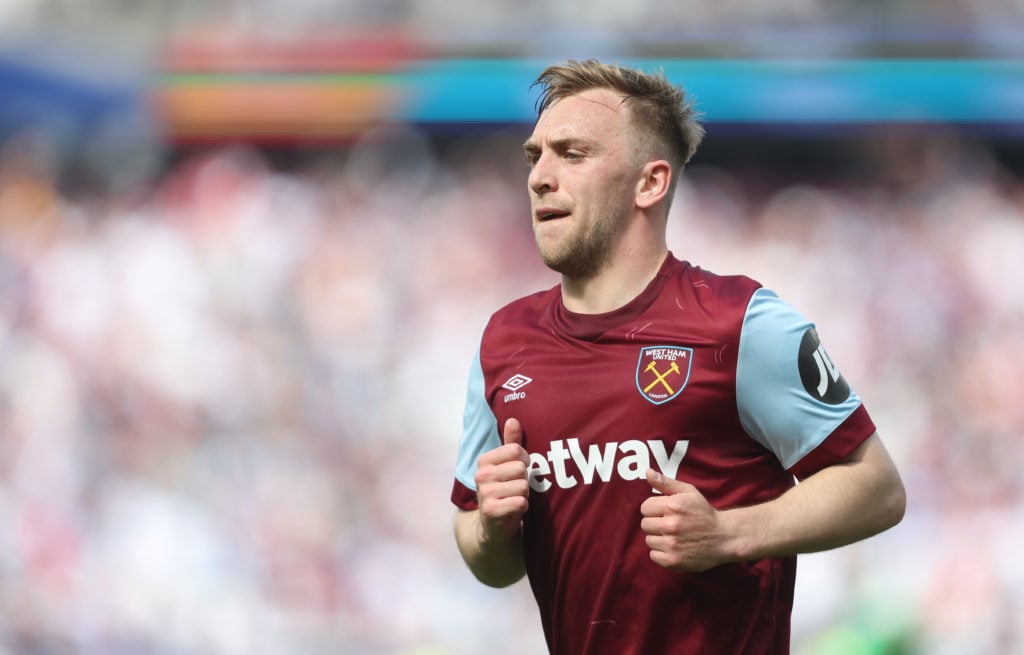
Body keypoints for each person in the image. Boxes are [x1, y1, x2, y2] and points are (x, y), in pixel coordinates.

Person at [450, 59, 906, 655]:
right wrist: (491, 524)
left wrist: (730, 533)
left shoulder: (740, 322)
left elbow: (878, 488)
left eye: (572, 153)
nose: (540, 176)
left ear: (651, 182)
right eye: (534, 155)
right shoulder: (504, 341)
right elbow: (490, 562)